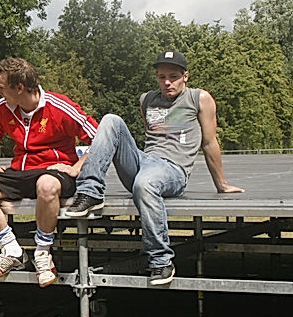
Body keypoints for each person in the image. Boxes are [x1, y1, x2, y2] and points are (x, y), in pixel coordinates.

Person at [63, 50, 243, 285]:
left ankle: (161, 261)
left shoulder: (199, 98)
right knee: (110, 120)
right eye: (161, 77)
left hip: (172, 170)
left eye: (173, 76)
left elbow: (209, 142)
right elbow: (150, 136)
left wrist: (222, 184)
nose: (167, 82)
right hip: (144, 161)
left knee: (145, 183)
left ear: (185, 76)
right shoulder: (146, 99)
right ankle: (90, 193)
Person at [0, 57, 97, 287]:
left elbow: (100, 138)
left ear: (19, 87)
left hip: (54, 171)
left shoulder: (59, 106)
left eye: (1, 87)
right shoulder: (2, 109)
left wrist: (76, 168)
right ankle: (11, 249)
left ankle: (43, 252)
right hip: (21, 171)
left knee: (46, 185)